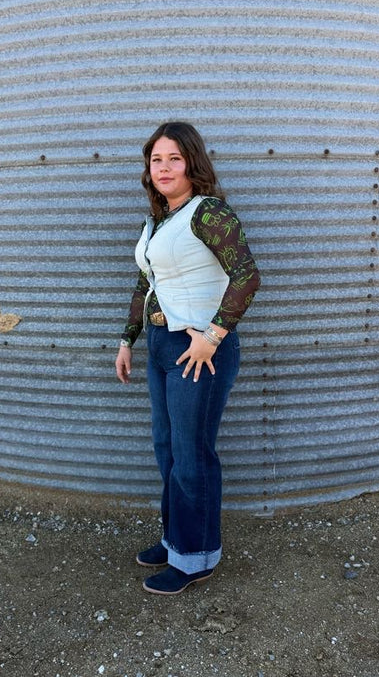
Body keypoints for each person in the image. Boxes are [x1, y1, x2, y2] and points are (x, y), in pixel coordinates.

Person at [115, 122, 260, 595]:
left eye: (173, 159)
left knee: (192, 454)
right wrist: (127, 340)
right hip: (161, 347)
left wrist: (213, 337)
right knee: (168, 449)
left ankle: (195, 559)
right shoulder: (157, 221)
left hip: (199, 352)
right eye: (156, 160)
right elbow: (145, 285)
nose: (163, 168)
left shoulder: (208, 212)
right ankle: (176, 540)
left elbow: (247, 275)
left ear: (191, 163)